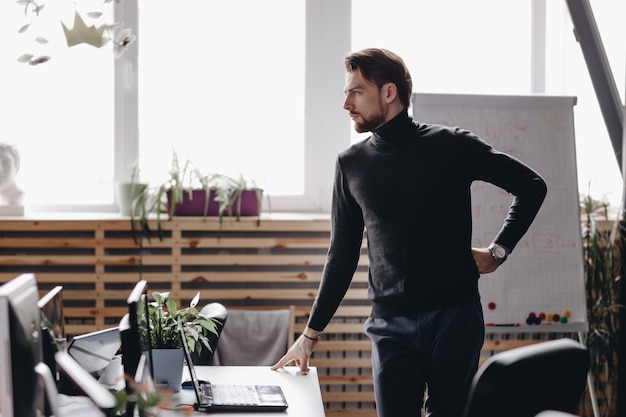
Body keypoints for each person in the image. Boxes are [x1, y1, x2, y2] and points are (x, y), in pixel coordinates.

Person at [271, 48, 547, 417]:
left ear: (389, 92)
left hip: (455, 318)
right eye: (345, 93)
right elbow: (341, 254)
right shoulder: (351, 164)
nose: (346, 104)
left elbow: (531, 185)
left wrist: (499, 251)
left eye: (355, 92)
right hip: (389, 325)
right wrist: (310, 335)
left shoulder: (451, 144)